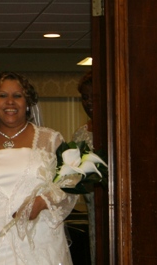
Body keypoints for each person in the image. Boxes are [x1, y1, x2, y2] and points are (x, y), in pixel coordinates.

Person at [0, 71, 77, 265]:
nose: (10, 102)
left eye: (17, 96)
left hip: (39, 241)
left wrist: (43, 202)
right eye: (2, 95)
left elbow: (71, 180)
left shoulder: (50, 140)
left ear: (27, 103)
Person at [71, 69, 95, 264]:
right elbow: (73, 178)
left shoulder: (122, 128)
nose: (89, 102)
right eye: (85, 98)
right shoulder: (80, 135)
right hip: (94, 209)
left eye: (94, 97)